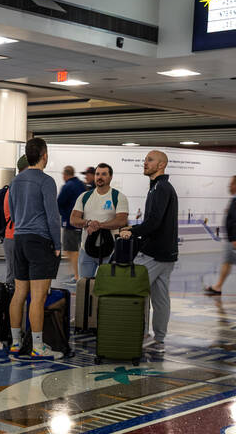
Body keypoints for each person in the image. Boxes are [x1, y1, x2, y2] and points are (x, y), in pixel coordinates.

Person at [7, 137, 62, 359]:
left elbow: (11, 210)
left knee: (19, 293)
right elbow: (52, 217)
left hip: (18, 240)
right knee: (37, 297)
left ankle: (15, 342)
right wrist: (57, 245)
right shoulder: (45, 181)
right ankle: (38, 347)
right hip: (39, 241)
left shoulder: (15, 181)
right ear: (44, 156)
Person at [119, 150, 178, 356]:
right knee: (160, 298)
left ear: (161, 165)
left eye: (150, 160)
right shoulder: (159, 187)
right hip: (167, 253)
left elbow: (154, 222)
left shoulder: (160, 188)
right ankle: (159, 340)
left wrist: (131, 231)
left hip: (153, 253)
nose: (145, 163)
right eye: (145, 160)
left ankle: (140, 334)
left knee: (134, 291)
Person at [71, 163, 128, 279]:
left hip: (109, 251)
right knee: (85, 288)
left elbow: (121, 221)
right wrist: (88, 223)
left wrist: (99, 225)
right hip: (86, 251)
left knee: (106, 288)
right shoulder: (84, 196)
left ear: (110, 177)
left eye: (103, 174)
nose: (99, 177)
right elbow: (73, 219)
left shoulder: (118, 197)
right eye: (97, 174)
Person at [57, 166, 87, 284]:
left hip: (70, 223)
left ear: (65, 175)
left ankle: (76, 275)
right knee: (76, 249)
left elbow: (59, 203)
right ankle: (77, 273)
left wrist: (63, 214)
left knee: (71, 250)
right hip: (80, 222)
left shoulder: (67, 186)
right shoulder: (81, 184)